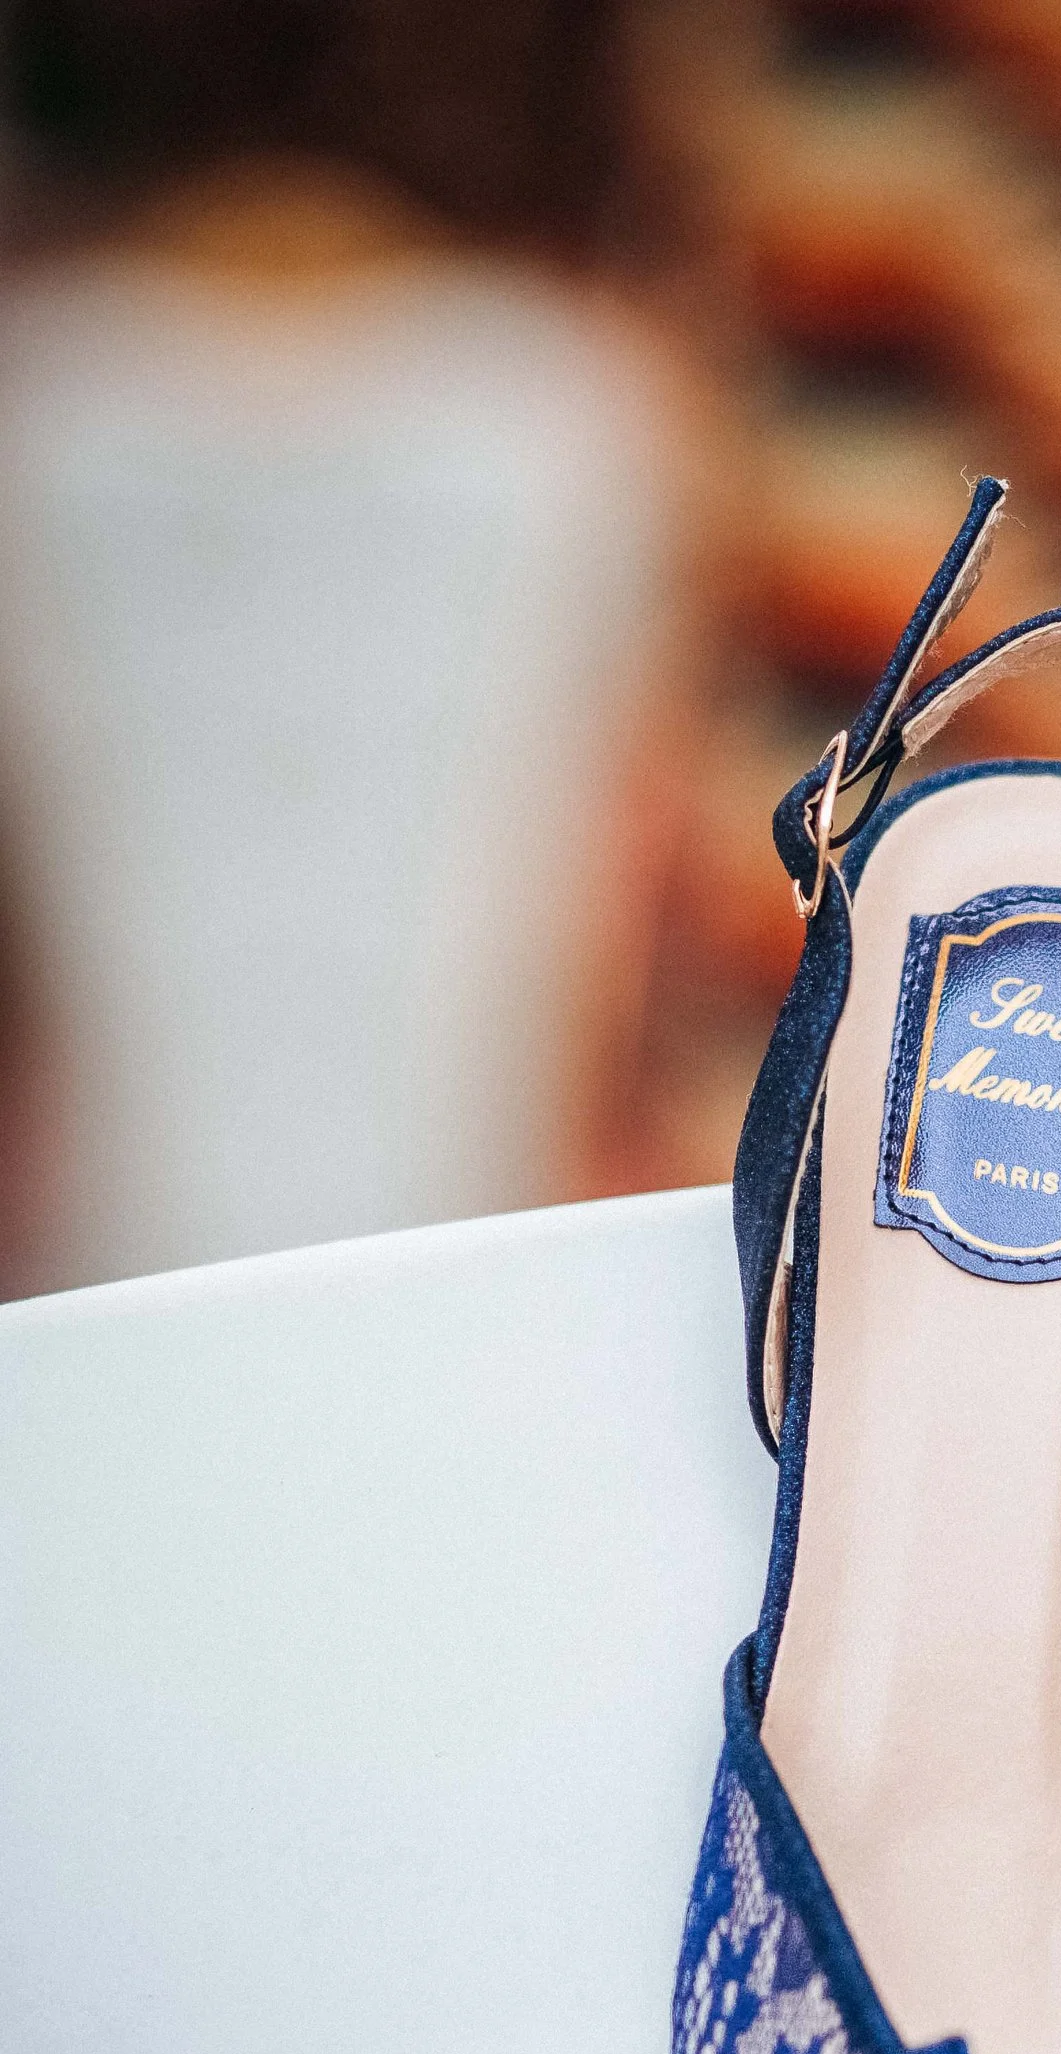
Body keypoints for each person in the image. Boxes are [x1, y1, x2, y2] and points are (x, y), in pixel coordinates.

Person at [0, 0, 716, 1294]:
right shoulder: (575, 416)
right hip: (440, 1285)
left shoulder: (571, 421)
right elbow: (623, 941)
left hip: (122, 1295)